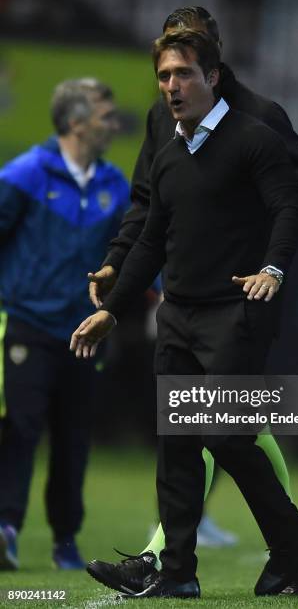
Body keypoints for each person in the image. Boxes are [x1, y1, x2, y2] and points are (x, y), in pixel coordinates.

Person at [84, 6, 298, 596]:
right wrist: (115, 291)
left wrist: (270, 251)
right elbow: (149, 219)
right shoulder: (168, 142)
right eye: (164, 73)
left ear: (213, 67)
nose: (172, 85)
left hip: (239, 306)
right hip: (179, 309)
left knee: (226, 435)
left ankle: (292, 542)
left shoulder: (259, 128)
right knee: (182, 444)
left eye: (184, 71)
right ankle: (178, 574)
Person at [0, 78, 129, 570]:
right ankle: (6, 528)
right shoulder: (26, 174)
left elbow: (137, 246)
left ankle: (65, 540)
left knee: (73, 438)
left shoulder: (114, 185)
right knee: (20, 428)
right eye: (104, 114)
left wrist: (158, 290)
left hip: (85, 332)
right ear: (76, 121)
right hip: (27, 324)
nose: (114, 124)